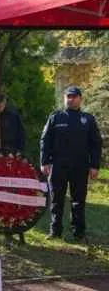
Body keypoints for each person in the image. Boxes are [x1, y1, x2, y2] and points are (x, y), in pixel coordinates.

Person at [40, 86, 103, 241]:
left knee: (78, 200)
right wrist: (44, 162)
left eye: (74, 97)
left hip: (80, 166)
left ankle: (78, 232)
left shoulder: (88, 119)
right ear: (64, 98)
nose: (70, 99)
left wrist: (94, 166)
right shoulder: (55, 117)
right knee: (56, 199)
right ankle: (55, 231)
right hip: (58, 165)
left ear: (80, 99)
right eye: (68, 96)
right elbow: (45, 140)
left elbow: (96, 144)